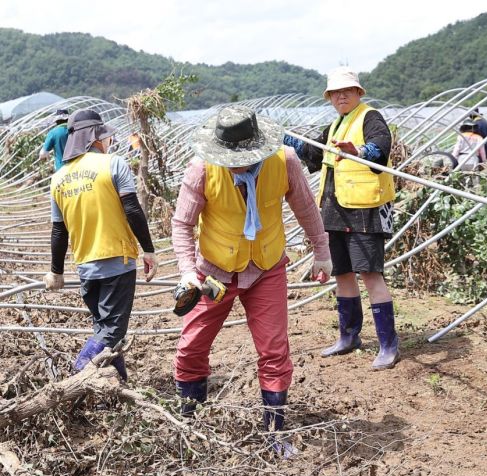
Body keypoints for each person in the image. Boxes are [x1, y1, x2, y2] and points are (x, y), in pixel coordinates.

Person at [171, 105, 331, 451]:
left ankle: (275, 432)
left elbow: (306, 207)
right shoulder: (202, 168)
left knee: (274, 349)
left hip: (266, 266)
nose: (237, 163)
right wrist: (187, 272)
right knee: (191, 346)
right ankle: (189, 424)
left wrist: (322, 252)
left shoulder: (285, 160)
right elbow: (182, 224)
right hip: (214, 273)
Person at [283, 66, 400, 370]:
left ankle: (389, 345)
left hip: (364, 210)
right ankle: (349, 336)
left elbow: (380, 148)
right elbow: (311, 153)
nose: (341, 96)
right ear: (330, 98)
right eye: (335, 93)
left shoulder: (370, 117)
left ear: (358, 93)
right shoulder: (335, 125)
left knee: (370, 274)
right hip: (334, 209)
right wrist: (283, 138)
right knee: (342, 273)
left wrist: (359, 151)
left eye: (347, 91)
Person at [45, 109, 158, 380]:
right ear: (95, 137)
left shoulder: (58, 178)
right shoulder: (113, 164)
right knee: (114, 330)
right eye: (105, 136)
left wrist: (56, 271)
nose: (108, 142)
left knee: (104, 328)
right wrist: (149, 251)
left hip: (85, 265)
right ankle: (80, 370)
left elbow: (58, 231)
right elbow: (132, 210)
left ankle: (119, 383)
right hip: (117, 260)